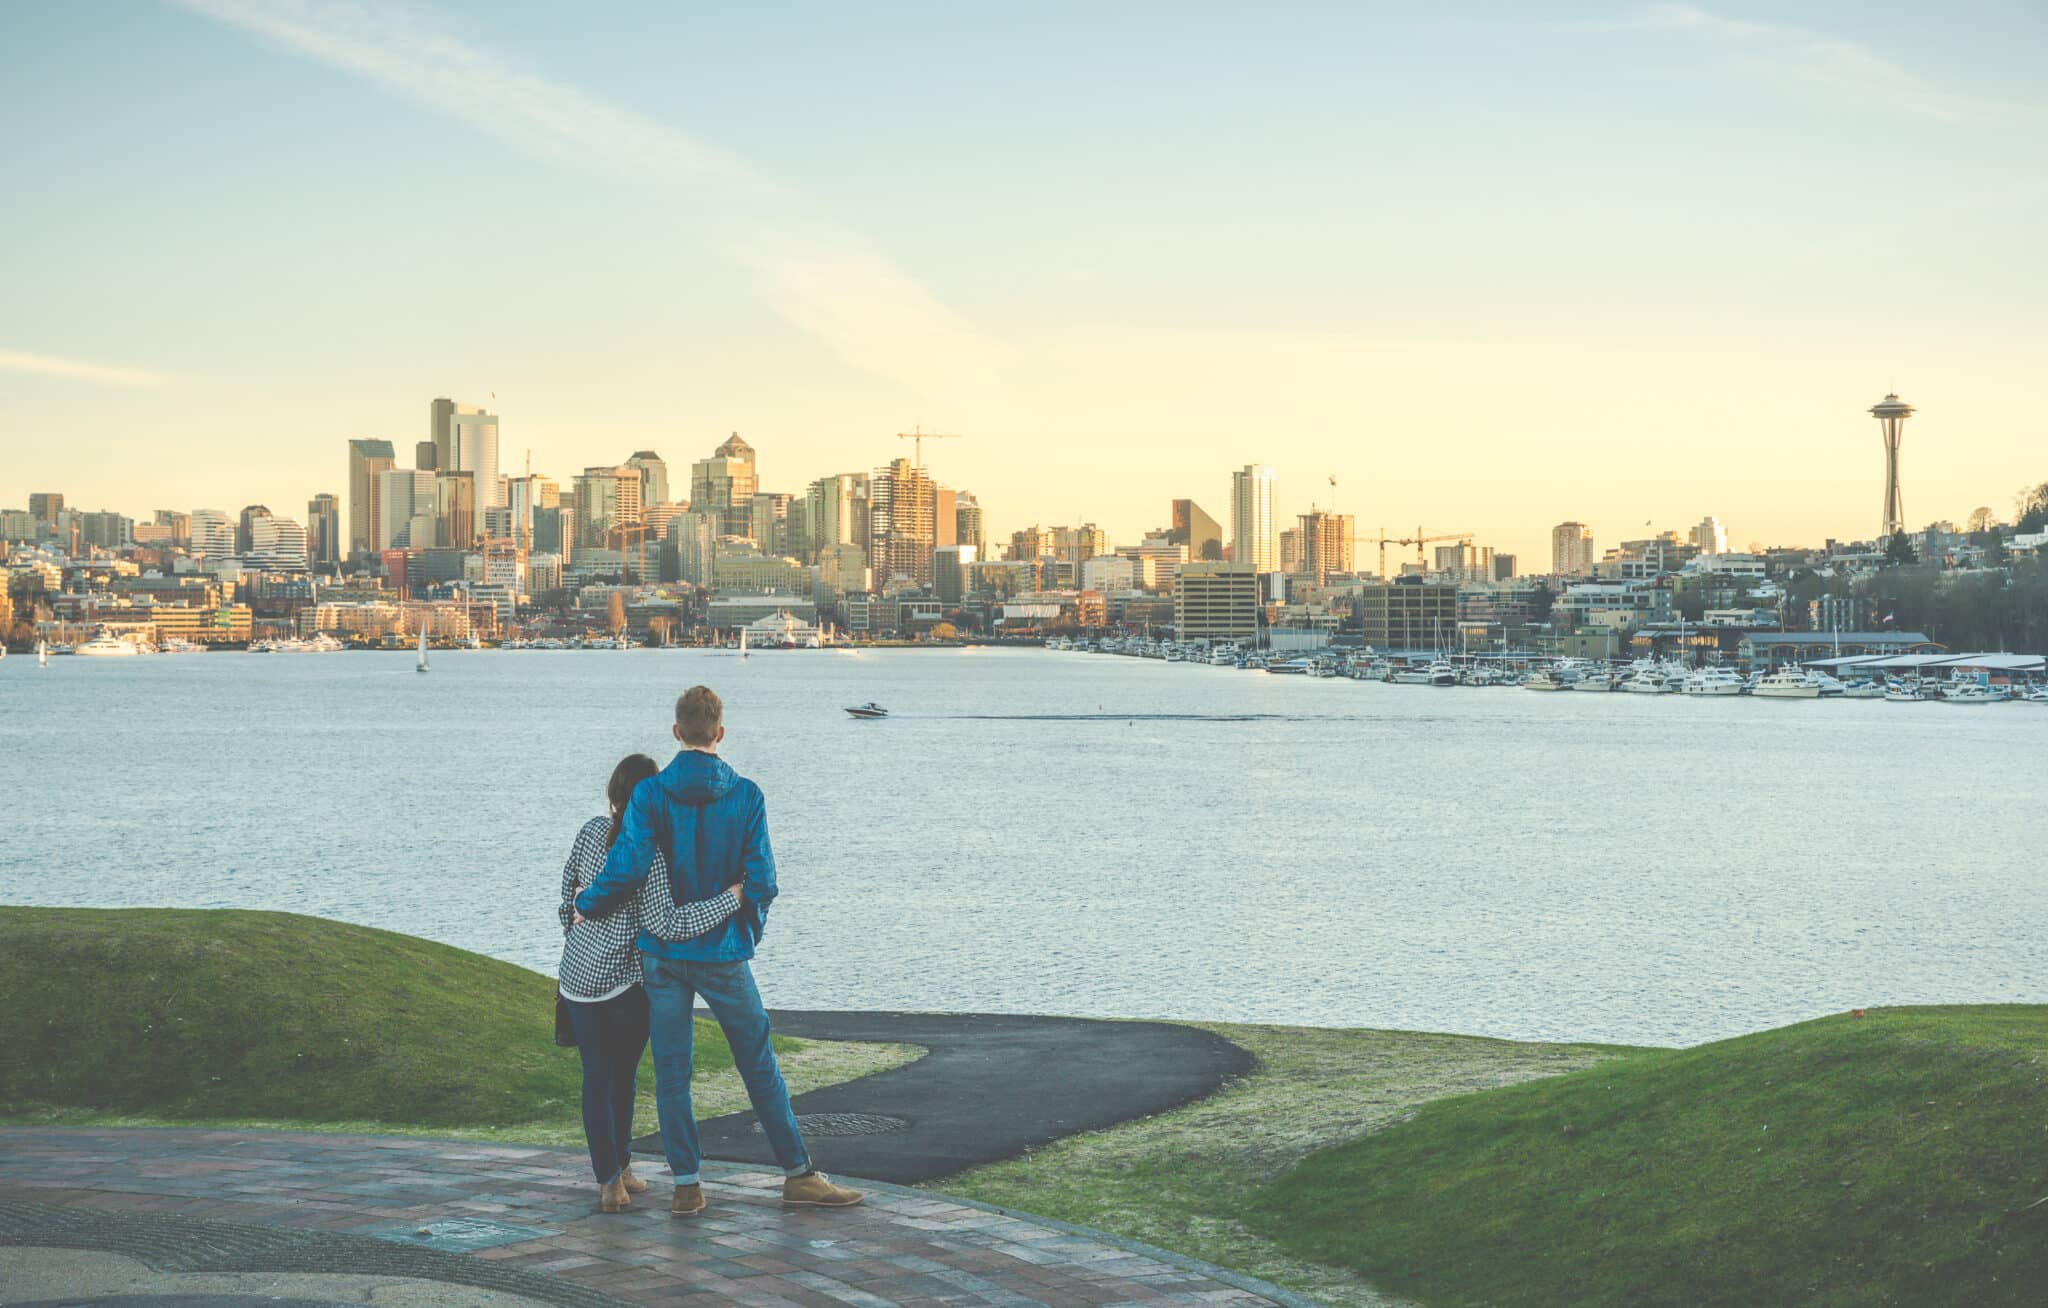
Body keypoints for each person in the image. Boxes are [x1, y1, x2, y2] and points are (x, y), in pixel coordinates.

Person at [576, 686, 863, 1218]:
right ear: (720, 733)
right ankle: (798, 1174)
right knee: (759, 1065)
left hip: (662, 956)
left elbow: (628, 868)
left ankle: (687, 1185)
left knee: (671, 1072)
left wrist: (585, 905)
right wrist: (745, 932)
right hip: (724, 954)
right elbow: (763, 882)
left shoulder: (649, 796)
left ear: (677, 732)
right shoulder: (747, 795)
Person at [557, 753, 746, 1213]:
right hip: (622, 983)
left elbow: (566, 894)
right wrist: (730, 899)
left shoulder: (587, 833)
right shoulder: (652, 855)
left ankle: (616, 1169)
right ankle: (609, 1179)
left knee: (604, 1079)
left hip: (575, 980)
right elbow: (668, 924)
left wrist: (577, 927)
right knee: (613, 1079)